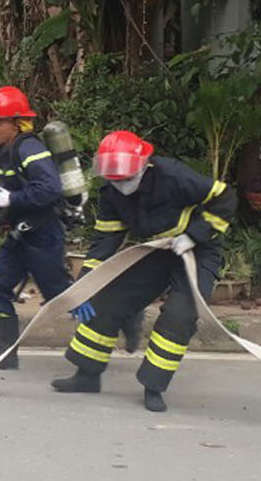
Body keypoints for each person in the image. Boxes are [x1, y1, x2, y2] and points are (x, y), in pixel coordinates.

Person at [51, 130, 236, 412]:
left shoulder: (173, 177)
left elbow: (224, 198)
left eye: (125, 179)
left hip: (197, 250)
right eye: (114, 180)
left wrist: (195, 235)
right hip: (156, 250)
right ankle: (86, 376)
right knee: (105, 301)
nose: (121, 186)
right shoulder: (112, 193)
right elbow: (105, 242)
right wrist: (84, 287)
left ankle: (153, 387)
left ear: (143, 167)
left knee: (180, 315)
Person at [0, 86, 88, 371]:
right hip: (20, 236)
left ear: (16, 122)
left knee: (61, 297)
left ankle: (109, 323)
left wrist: (13, 198)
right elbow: (10, 186)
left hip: (43, 236)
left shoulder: (29, 147)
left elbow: (50, 188)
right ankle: (4, 355)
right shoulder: (6, 149)